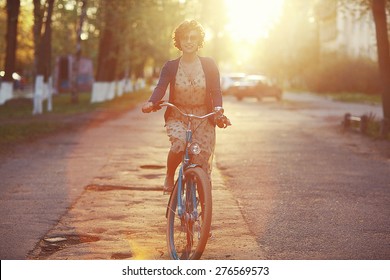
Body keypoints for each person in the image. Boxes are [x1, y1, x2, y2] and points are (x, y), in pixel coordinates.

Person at [142, 19, 229, 193]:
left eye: (193, 38)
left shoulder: (209, 65)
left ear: (199, 41)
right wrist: (152, 102)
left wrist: (218, 110)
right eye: (185, 38)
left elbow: (216, 91)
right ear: (179, 41)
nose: (189, 41)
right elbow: (161, 86)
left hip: (203, 117)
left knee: (202, 161)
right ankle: (169, 173)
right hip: (177, 114)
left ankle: (203, 209)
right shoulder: (171, 66)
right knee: (179, 145)